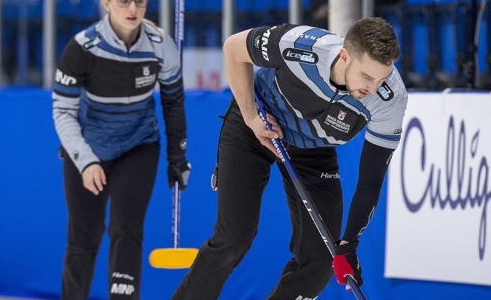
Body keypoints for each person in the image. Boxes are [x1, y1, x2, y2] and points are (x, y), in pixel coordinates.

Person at [172, 17, 408, 299]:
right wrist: (250, 117)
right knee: (234, 238)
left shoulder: (390, 98)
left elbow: (371, 181)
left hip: (313, 148)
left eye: (381, 78)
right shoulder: (300, 45)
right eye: (366, 77)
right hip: (259, 122)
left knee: (321, 260)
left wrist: (350, 243)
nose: (372, 89)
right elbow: (233, 48)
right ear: (345, 56)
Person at [52, 0, 191, 300]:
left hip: (138, 146)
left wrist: (178, 157)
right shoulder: (83, 48)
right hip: (88, 148)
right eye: (124, 0)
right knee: (84, 236)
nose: (133, 9)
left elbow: (173, 105)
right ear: (107, 2)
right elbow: (63, 112)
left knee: (127, 230)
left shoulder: (161, 46)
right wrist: (85, 161)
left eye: (140, 1)